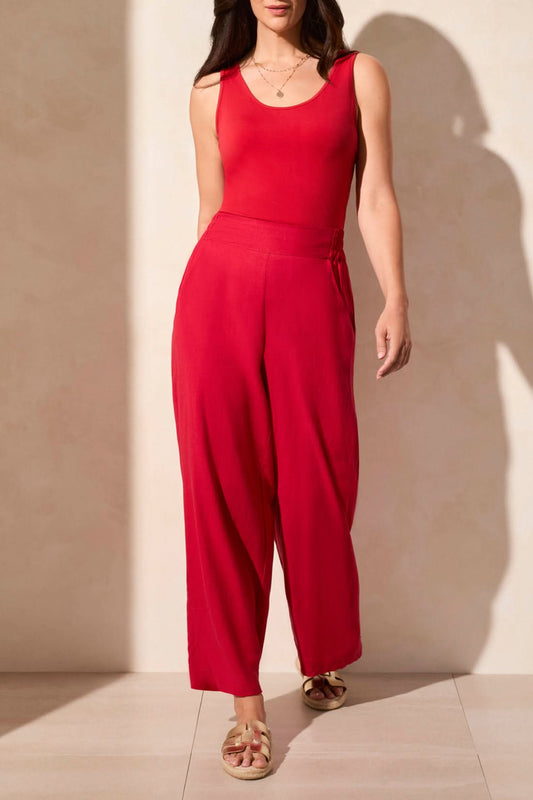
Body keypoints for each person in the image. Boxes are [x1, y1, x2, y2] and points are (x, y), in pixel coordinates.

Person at [171, 0, 412, 781]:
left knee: (317, 485)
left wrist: (395, 296)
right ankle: (243, 701)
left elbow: (372, 193)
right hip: (220, 295)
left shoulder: (357, 76)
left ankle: (321, 651)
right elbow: (210, 211)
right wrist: (202, 315)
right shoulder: (211, 90)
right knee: (224, 491)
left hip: (315, 290)